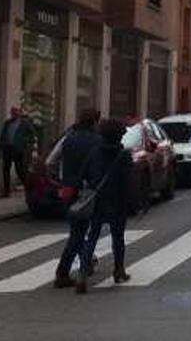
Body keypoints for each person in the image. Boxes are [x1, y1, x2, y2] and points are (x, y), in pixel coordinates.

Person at [76, 118, 133, 294]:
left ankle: (82, 273)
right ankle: (118, 270)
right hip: (117, 201)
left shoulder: (95, 153)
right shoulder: (123, 155)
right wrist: (134, 204)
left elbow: (83, 174)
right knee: (118, 238)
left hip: (98, 199)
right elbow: (128, 182)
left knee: (92, 236)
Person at [53, 109, 102, 289]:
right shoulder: (97, 141)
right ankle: (63, 272)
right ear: (95, 122)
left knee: (77, 230)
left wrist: (59, 179)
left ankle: (84, 263)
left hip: (68, 190)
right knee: (79, 233)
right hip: (88, 191)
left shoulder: (68, 138)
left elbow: (51, 161)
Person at [0, 107, 37, 197]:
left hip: (18, 150)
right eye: (12, 112)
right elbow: (2, 136)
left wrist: (25, 143)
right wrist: (0, 149)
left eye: (16, 112)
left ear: (19, 113)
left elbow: (32, 135)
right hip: (7, 148)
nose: (14, 114)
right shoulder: (7, 123)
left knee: (20, 170)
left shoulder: (24, 123)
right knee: (5, 169)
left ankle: (28, 188)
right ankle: (7, 191)